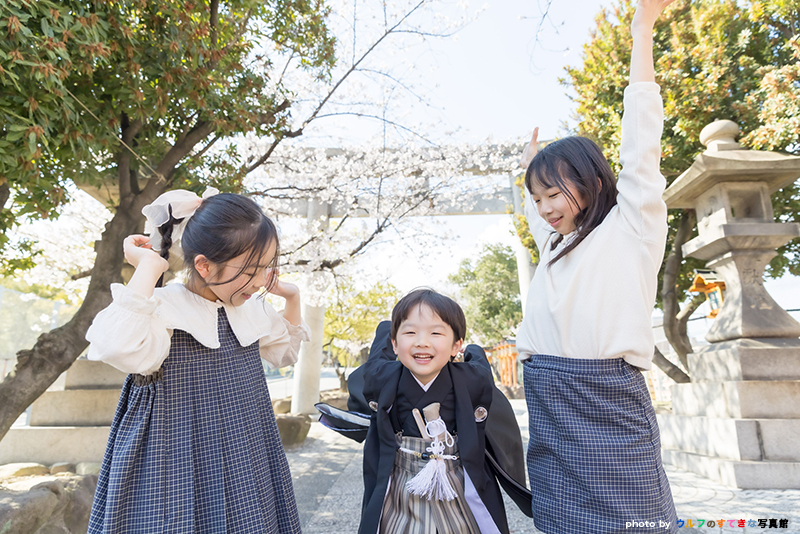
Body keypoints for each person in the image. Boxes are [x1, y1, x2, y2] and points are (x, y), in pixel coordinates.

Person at [516, 1, 678, 533]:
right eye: (537, 198)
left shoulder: (632, 224)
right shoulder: (555, 244)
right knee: (560, 520)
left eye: (553, 193)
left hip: (605, 397)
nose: (545, 208)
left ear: (589, 180)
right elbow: (537, 219)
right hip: (548, 396)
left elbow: (642, 141)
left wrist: (642, 30)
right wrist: (530, 170)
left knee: (634, 519)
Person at [85, 188, 309, 533]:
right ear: (204, 265)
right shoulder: (162, 308)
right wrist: (149, 266)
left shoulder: (250, 310)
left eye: (266, 268)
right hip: (174, 460)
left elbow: (285, 354)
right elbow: (115, 346)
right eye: (251, 270)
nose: (260, 282)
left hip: (244, 456)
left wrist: (292, 298)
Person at [322, 289, 531, 534]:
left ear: (456, 345)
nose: (422, 341)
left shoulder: (472, 380)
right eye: (410, 332)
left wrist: (476, 353)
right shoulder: (383, 378)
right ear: (395, 344)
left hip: (457, 485)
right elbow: (375, 361)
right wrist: (384, 330)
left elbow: (481, 369)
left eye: (436, 333)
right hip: (402, 487)